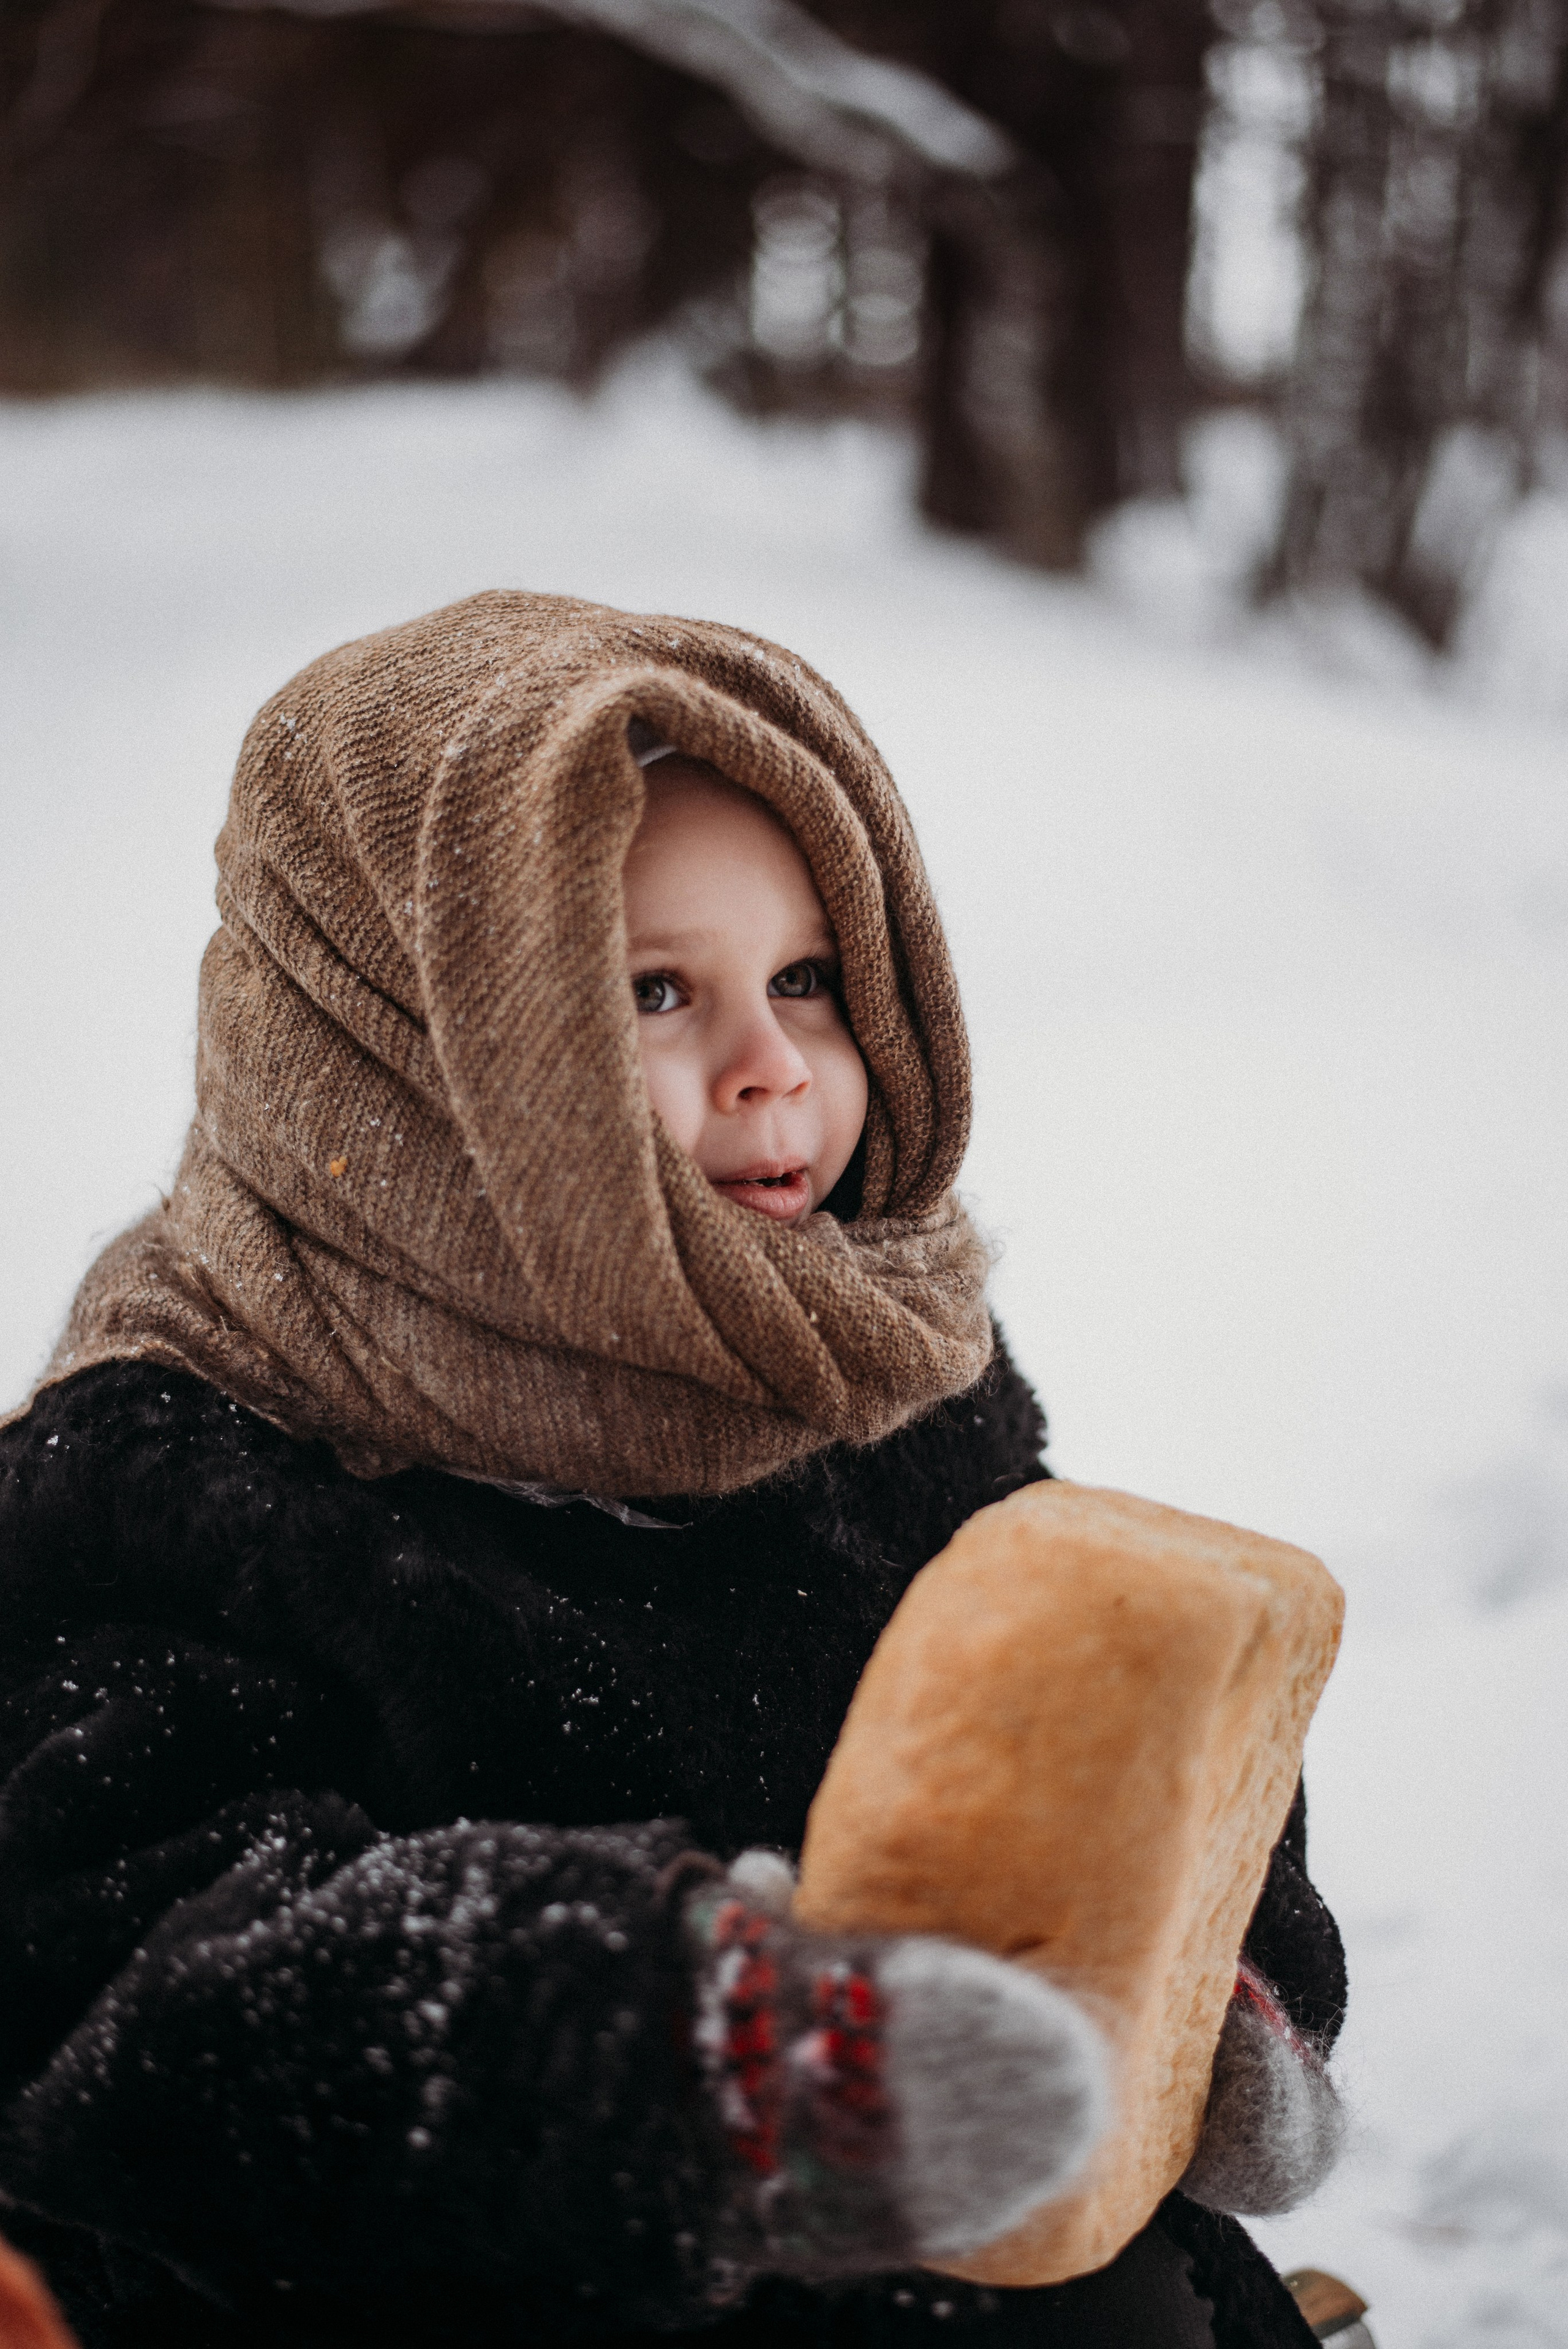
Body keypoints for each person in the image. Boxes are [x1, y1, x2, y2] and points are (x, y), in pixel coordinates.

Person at [0, 592, 1348, 2349]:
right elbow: (130, 1986)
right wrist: (709, 2056)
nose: (773, 1065)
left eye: (807, 978)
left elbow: (1093, 1750)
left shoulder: (869, 1372)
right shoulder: (180, 1467)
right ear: (402, 1044)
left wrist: (1211, 1995)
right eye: (652, 991)